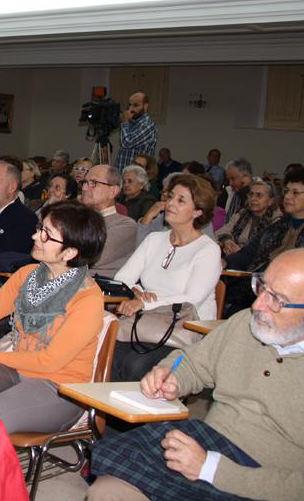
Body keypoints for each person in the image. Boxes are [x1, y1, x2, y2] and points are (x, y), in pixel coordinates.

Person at [88, 248, 304, 501]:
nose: (257, 305)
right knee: (113, 457)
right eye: (261, 287)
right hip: (209, 441)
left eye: (276, 299)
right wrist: (171, 376)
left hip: (257, 476)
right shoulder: (245, 323)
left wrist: (211, 468)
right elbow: (192, 362)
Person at [0, 201, 106, 433]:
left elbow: (50, 360)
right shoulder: (28, 276)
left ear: (70, 252)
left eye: (47, 234)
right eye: (39, 228)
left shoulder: (88, 298)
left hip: (61, 387)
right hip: (20, 370)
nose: (35, 236)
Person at [111, 174, 221, 380]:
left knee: (136, 365)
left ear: (198, 211)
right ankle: (105, 410)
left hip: (184, 328)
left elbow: (192, 298)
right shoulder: (154, 239)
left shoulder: (208, 250)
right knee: (106, 350)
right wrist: (135, 291)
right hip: (145, 324)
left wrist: (143, 303)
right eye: (170, 197)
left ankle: (135, 411)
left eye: (180, 200)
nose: (170, 203)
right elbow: (122, 277)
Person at [222, 169, 304, 315]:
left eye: (296, 192)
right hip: (258, 285)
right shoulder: (278, 226)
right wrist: (224, 263)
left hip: (288, 295)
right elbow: (247, 253)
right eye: (286, 191)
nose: (288, 196)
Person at [79, 164, 137, 277]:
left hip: (98, 287)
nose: (84, 188)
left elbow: (92, 256)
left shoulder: (125, 225)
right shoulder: (75, 216)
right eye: (85, 182)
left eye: (93, 183)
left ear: (113, 191)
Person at [215, 178, 282, 256]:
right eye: (251, 194)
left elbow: (269, 249)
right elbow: (222, 231)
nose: (253, 199)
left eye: (259, 195)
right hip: (234, 258)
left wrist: (242, 252)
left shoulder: (276, 221)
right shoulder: (243, 214)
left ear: (271, 201)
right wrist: (227, 241)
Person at [117, 91, 157, 171]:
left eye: (135, 105)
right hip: (123, 174)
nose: (131, 109)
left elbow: (126, 143)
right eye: (129, 105)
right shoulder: (131, 122)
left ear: (145, 106)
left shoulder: (147, 125)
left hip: (137, 177)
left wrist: (125, 122)